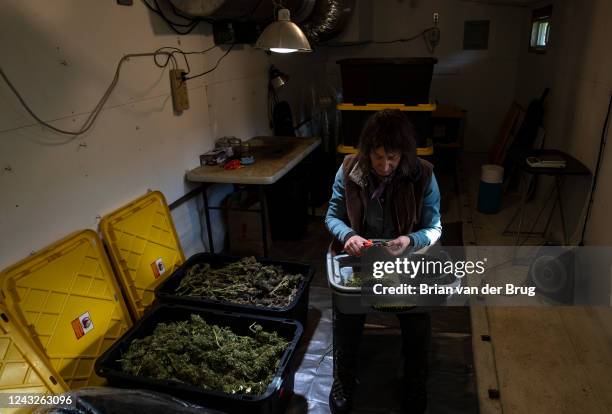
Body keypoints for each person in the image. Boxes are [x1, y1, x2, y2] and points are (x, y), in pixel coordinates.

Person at [325, 109, 442, 414]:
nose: (385, 166)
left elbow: (435, 226)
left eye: (392, 158)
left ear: (404, 153)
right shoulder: (351, 169)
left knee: (418, 319)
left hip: (405, 261)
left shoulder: (423, 174)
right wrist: (348, 234)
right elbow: (332, 216)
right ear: (367, 152)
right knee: (346, 313)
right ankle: (344, 377)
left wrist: (411, 240)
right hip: (362, 259)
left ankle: (415, 381)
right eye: (378, 158)